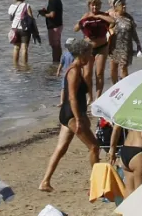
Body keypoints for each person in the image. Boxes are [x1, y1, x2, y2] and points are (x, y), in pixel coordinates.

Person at [39, 37, 101, 192]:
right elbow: (72, 96)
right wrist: (79, 118)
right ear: (82, 53)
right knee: (94, 147)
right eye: (89, 53)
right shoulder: (73, 71)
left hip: (67, 114)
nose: (91, 56)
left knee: (61, 148)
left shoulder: (78, 69)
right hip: (72, 115)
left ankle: (45, 182)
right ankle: (96, 184)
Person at [76, 0, 112, 92]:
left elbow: (113, 21)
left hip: (102, 47)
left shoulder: (104, 15)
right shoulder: (86, 16)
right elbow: (75, 29)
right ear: (89, 5)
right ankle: (90, 97)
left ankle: (98, 98)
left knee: (99, 73)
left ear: (100, 6)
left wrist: (99, 16)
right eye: (93, 5)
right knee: (87, 74)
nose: (95, 7)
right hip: (88, 48)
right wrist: (83, 20)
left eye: (97, 5)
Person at [108, 0, 142, 85]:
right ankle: (114, 86)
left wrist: (138, 44)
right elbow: (105, 30)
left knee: (123, 67)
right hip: (113, 47)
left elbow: (134, 33)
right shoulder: (111, 17)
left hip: (126, 47)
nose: (124, 6)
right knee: (113, 68)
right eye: (122, 4)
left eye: (125, 4)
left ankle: (124, 86)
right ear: (116, 7)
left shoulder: (129, 18)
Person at [8, 0, 37, 66]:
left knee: (16, 48)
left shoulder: (11, 6)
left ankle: (15, 65)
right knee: (24, 48)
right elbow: (31, 18)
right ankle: (24, 65)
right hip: (24, 29)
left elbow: (11, 18)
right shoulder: (26, 5)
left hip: (14, 28)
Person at [40, 0, 64, 67]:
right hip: (57, 25)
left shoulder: (52, 0)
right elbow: (53, 13)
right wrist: (46, 12)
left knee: (55, 46)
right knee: (57, 45)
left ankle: (55, 63)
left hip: (54, 26)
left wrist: (44, 14)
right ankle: (58, 62)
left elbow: (52, 15)